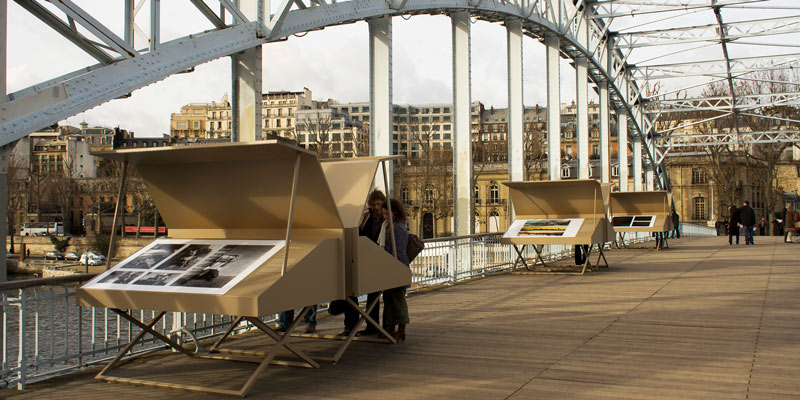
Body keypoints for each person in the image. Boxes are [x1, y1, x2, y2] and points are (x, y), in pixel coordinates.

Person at [343, 190, 386, 337]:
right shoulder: (366, 218)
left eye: (379, 204)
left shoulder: (387, 221)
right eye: (373, 204)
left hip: (378, 261)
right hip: (363, 259)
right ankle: (351, 326)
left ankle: (372, 326)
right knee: (351, 291)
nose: (376, 207)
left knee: (373, 296)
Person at [380, 199, 410, 341]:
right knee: (389, 299)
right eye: (384, 213)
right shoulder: (388, 226)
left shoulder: (397, 228)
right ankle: (390, 327)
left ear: (395, 212)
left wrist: (394, 265)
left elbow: (399, 250)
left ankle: (401, 329)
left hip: (396, 267)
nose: (385, 216)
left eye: (387, 213)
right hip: (389, 267)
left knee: (397, 300)